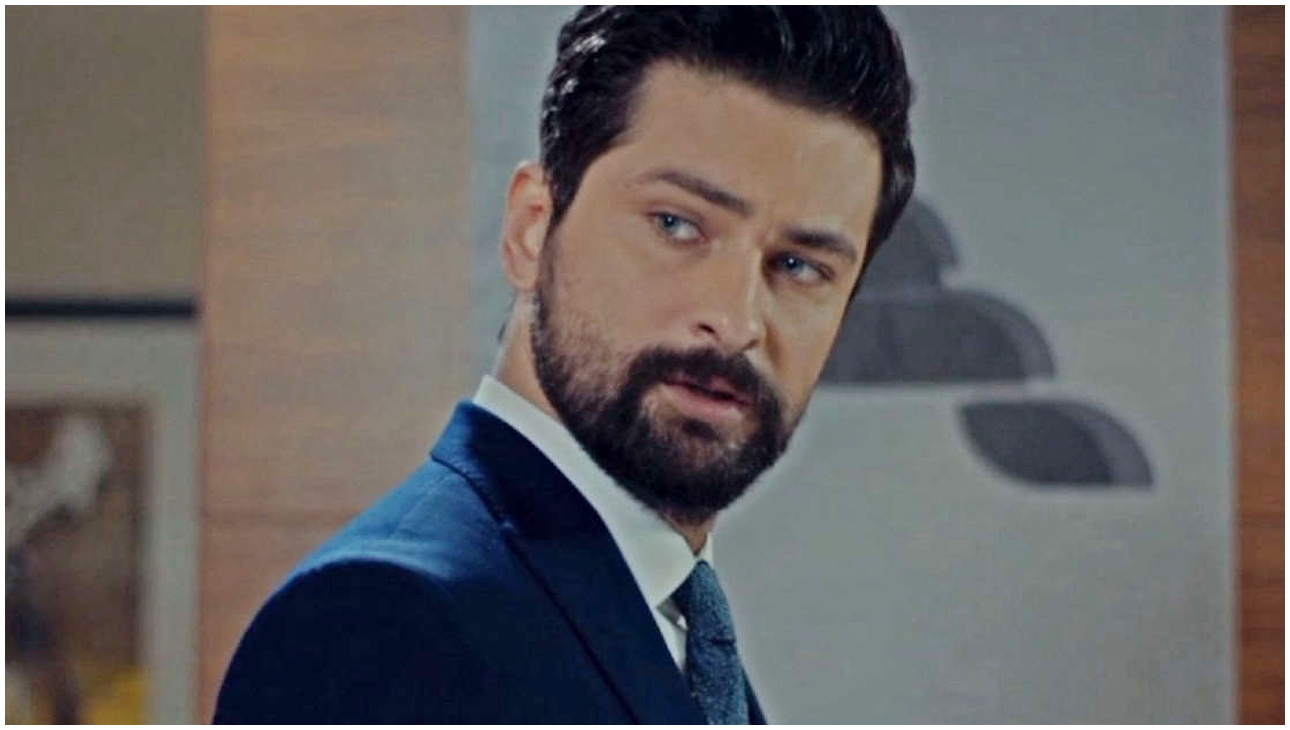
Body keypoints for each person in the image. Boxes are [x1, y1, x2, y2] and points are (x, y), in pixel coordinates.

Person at [214, 6, 915, 724]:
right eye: (676, 225)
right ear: (532, 228)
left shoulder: (674, 621)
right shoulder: (389, 622)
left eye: (799, 266)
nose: (736, 322)